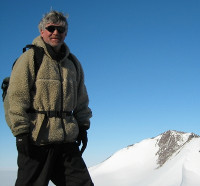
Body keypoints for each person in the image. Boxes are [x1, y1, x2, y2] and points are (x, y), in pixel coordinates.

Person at [7, 10, 94, 186]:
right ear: (42, 31)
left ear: (66, 33)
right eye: (51, 28)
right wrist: (21, 132)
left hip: (67, 141)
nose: (55, 32)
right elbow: (16, 96)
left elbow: (81, 98)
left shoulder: (73, 63)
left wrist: (83, 125)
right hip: (36, 141)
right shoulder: (30, 58)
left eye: (60, 29)